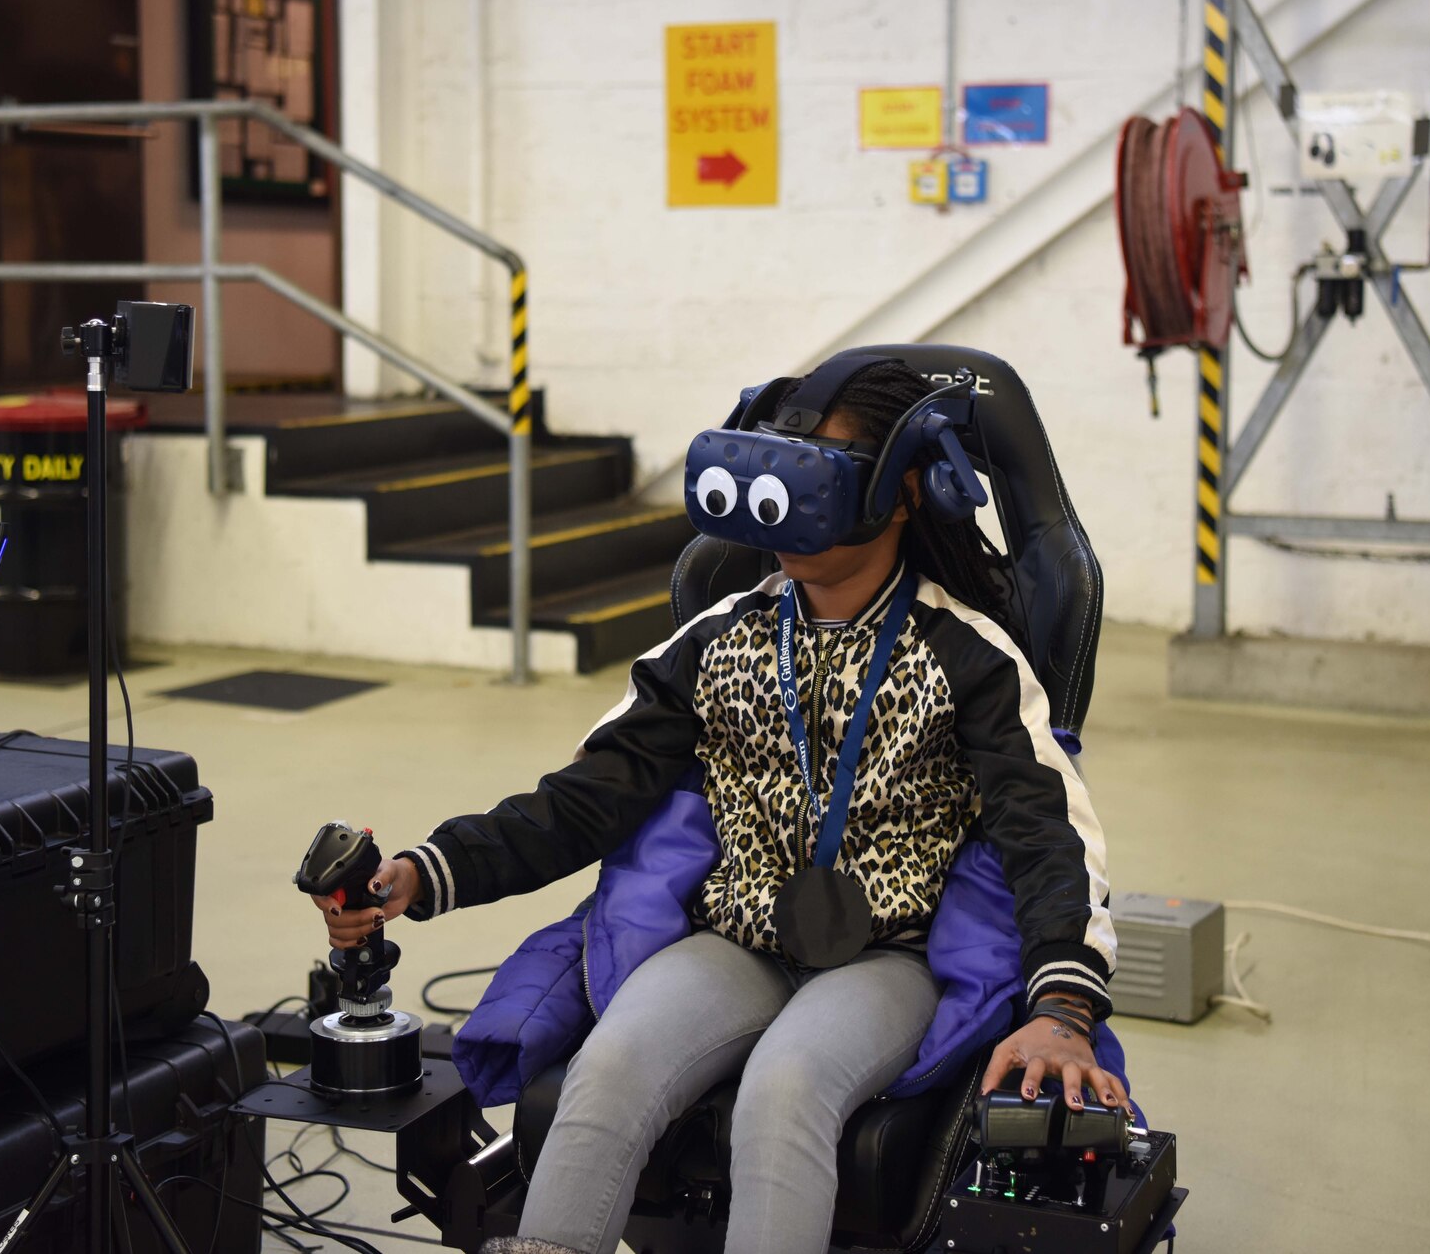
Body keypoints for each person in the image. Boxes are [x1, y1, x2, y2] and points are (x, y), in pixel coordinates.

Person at [308, 359, 1121, 1254]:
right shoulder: (716, 640)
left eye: (828, 466)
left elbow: (1045, 833)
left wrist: (1063, 1009)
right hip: (739, 935)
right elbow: (587, 797)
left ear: (903, 494)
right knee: (611, 1061)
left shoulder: (970, 657)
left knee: (788, 1082)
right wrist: (423, 871)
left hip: (893, 954)